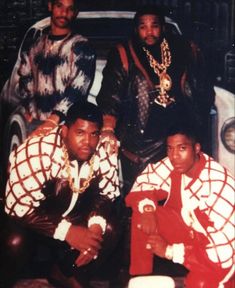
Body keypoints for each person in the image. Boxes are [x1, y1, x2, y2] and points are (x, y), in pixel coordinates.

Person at [96, 5, 214, 195]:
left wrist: (196, 127)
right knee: (142, 199)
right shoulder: (124, 53)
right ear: (136, 29)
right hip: (142, 145)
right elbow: (111, 95)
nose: (149, 31)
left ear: (163, 28)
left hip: (180, 139)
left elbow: (204, 90)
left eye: (154, 26)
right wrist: (108, 128)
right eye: (143, 27)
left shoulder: (185, 50)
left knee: (183, 197)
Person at [2, 102, 120, 288]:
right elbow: (17, 206)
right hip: (34, 223)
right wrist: (67, 231)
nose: (87, 142)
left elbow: (106, 194)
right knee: (14, 241)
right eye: (80, 133)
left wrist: (95, 227)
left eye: (94, 134)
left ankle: (68, 274)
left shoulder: (104, 148)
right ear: (64, 131)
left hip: (75, 217)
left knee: (110, 228)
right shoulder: (38, 150)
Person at [125, 120, 235, 288]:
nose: (174, 156)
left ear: (196, 148)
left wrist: (170, 251)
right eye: (170, 148)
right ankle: (141, 279)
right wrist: (147, 209)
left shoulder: (219, 185)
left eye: (182, 148)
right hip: (194, 236)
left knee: (199, 283)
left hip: (224, 256)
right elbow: (145, 181)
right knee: (143, 213)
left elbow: (224, 254)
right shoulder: (176, 163)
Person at [17, 0, 96, 135]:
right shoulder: (36, 45)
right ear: (50, 6)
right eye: (59, 6)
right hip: (36, 124)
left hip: (67, 126)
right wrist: (29, 111)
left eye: (70, 9)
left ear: (75, 13)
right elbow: (25, 79)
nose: (64, 13)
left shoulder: (81, 46)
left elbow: (78, 90)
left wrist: (54, 119)